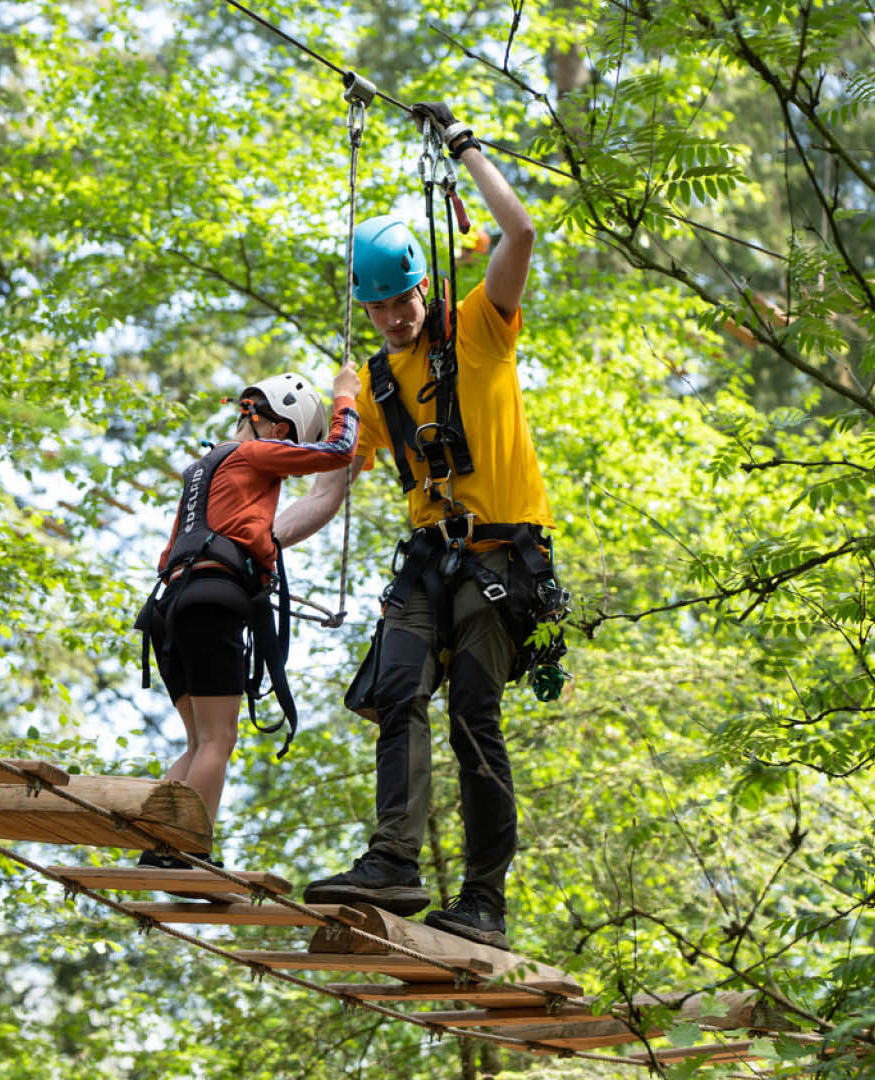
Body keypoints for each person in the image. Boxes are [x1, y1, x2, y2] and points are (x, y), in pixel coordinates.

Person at [278, 102, 563, 950]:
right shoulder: (368, 385)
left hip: (504, 560)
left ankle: (484, 902)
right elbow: (327, 495)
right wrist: (251, 542)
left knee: (475, 710)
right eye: (379, 309)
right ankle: (392, 861)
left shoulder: (481, 328)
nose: (394, 319)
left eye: (402, 302)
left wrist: (466, 149)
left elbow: (519, 232)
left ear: (424, 287)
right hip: (428, 565)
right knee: (396, 691)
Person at [136, 364, 360, 870]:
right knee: (220, 737)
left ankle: (156, 843)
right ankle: (185, 849)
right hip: (211, 602)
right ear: (281, 430)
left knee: (199, 741)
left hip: (169, 606)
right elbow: (337, 452)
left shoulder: (206, 465)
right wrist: (345, 398)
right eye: (292, 445)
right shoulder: (258, 451)